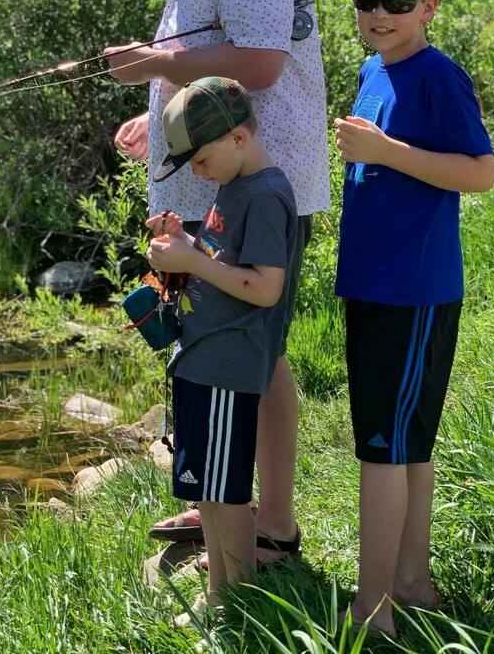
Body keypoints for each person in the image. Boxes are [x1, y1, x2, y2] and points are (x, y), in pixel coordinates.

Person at [102, 0, 329, 562]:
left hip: (260, 191)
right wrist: (161, 110)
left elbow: (259, 63)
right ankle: (225, 508)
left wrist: (158, 65)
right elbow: (211, 73)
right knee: (221, 347)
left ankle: (273, 526)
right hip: (206, 190)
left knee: (259, 353)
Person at [334, 0, 494, 636]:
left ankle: (373, 615)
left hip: (411, 291)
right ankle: (409, 583)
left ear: (427, 6)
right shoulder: (373, 68)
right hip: (374, 286)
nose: (379, 14)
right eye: (365, 0)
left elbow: (480, 173)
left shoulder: (437, 77)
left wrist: (385, 153)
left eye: (396, 3)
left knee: (382, 449)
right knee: (407, 446)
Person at [144, 76, 297, 619]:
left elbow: (264, 286)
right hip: (204, 358)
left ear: (237, 137)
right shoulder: (232, 185)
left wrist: (195, 263)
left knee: (227, 490)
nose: (197, 173)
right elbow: (224, 262)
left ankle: (240, 601)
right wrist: (185, 245)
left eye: (200, 159)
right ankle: (220, 593)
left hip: (231, 366)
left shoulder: (266, 195)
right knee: (206, 484)